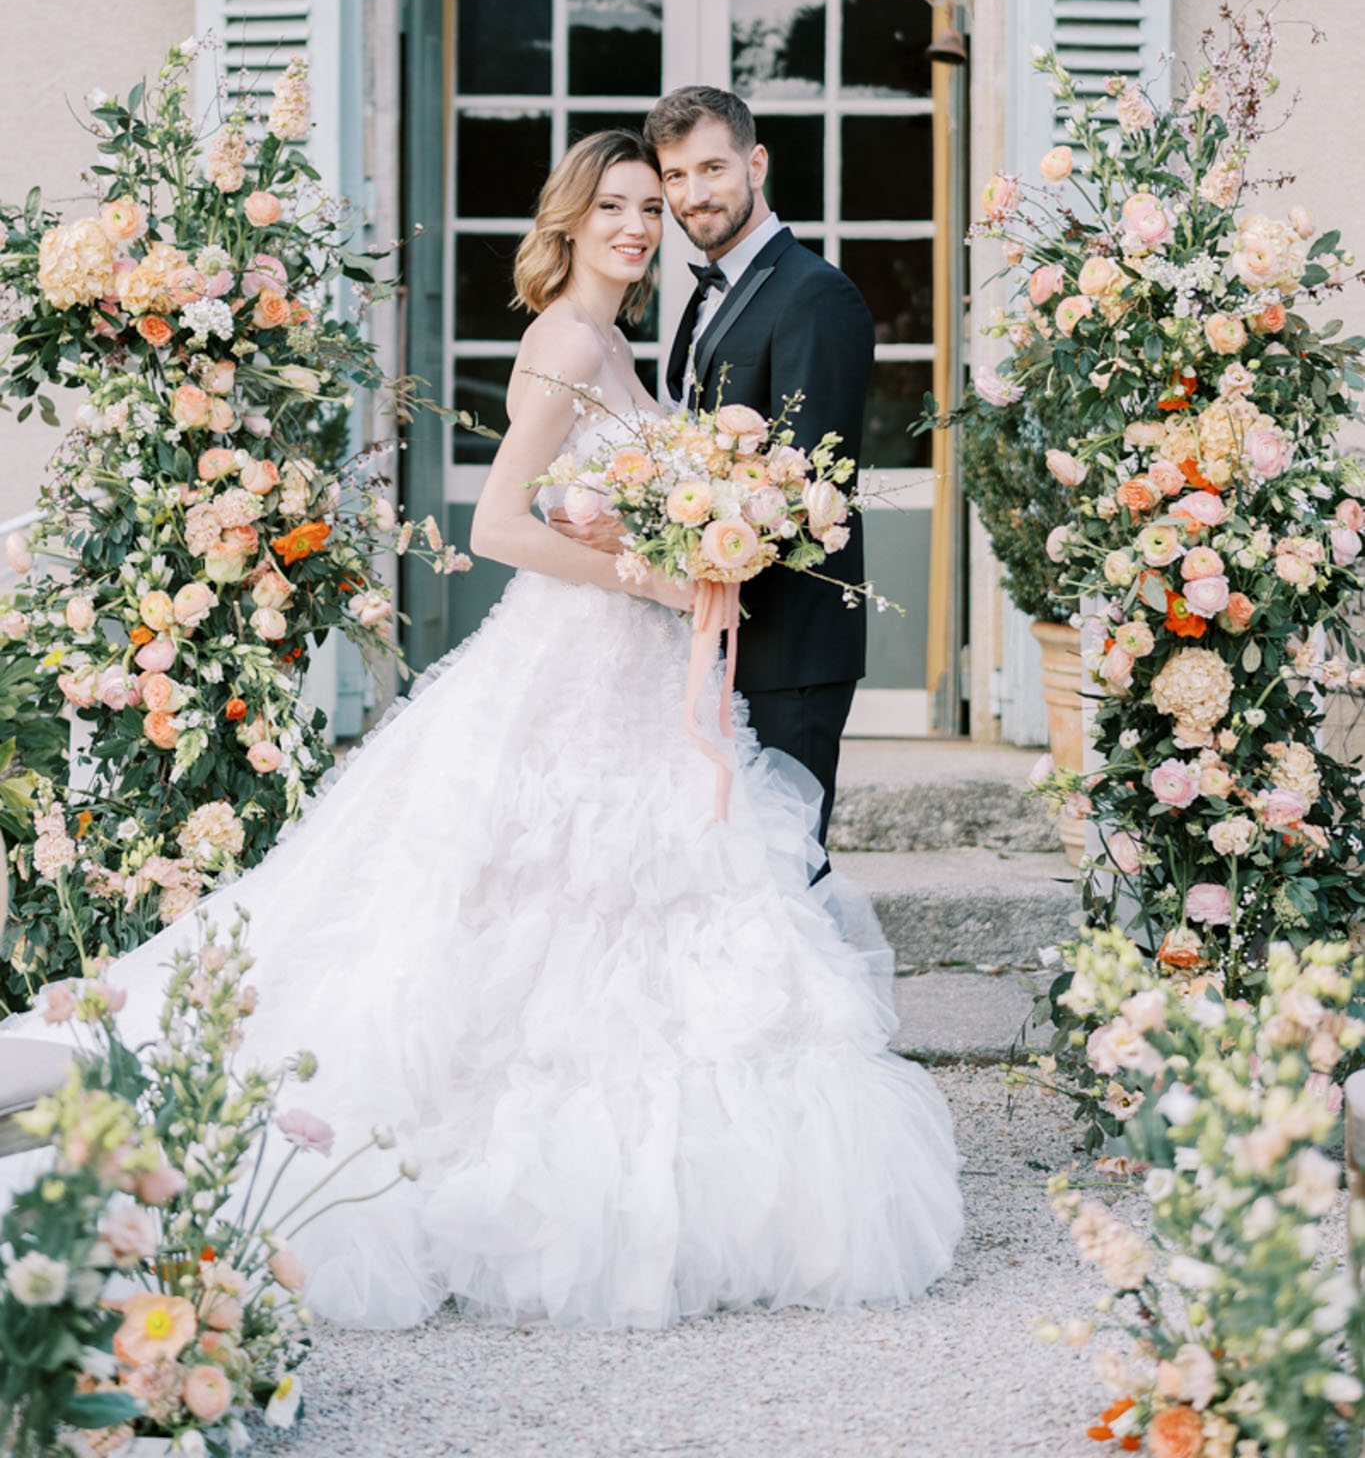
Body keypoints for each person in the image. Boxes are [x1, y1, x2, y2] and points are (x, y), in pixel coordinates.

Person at [0, 131, 960, 1333]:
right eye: (612, 204)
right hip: (576, 658)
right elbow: (501, 521)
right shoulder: (565, 338)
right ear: (566, 220)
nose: (635, 225)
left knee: (625, 908)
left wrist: (681, 543)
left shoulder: (616, 339)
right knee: (511, 906)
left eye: (651, 207)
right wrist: (655, 581)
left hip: (633, 667)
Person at [553, 87, 874, 865]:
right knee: (731, 873)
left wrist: (643, 533)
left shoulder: (813, 293)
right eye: (675, 177)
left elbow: (804, 490)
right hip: (716, 636)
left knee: (781, 871)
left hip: (788, 646)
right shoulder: (710, 296)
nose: (694, 195)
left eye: (712, 169)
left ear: (754, 163)